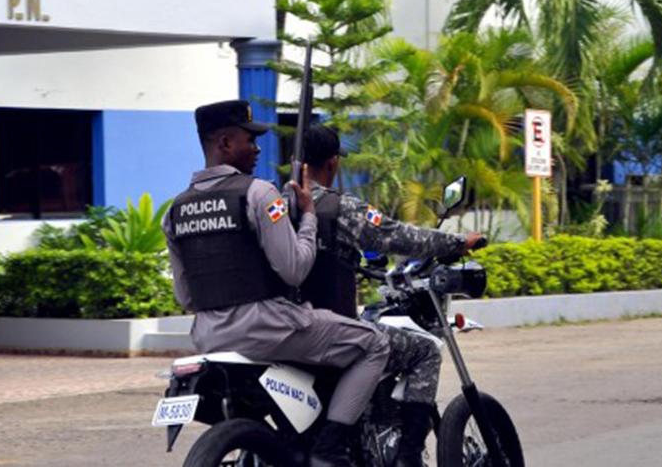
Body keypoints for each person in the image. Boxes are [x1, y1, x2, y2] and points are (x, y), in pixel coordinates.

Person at [163, 100, 391, 467]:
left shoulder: (174, 211)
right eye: (248, 140)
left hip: (208, 337)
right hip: (268, 329)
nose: (256, 149)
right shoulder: (259, 193)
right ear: (224, 143)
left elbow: (185, 295)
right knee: (374, 344)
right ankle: (330, 449)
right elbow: (295, 270)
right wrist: (309, 218)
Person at [299, 124, 484, 467]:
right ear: (333, 162)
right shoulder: (340, 208)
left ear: (297, 161)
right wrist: (459, 243)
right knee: (425, 351)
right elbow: (394, 235)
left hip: (283, 328)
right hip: (332, 329)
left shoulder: (272, 205)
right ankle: (408, 458)